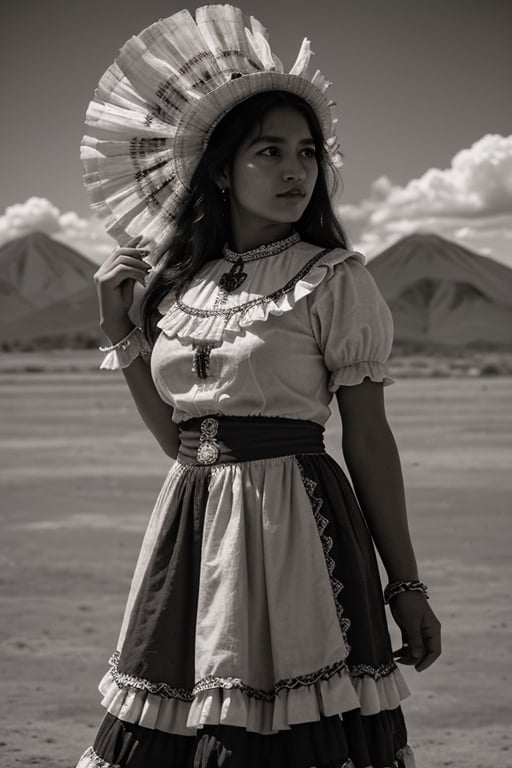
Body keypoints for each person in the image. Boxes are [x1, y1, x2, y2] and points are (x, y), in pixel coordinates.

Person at [77, 5, 441, 767]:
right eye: (268, 152)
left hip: (296, 527)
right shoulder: (183, 287)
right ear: (222, 168)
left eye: (306, 152)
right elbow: (177, 439)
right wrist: (124, 333)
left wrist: (405, 582)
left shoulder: (335, 281)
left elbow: (368, 438)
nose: (295, 171)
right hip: (189, 527)